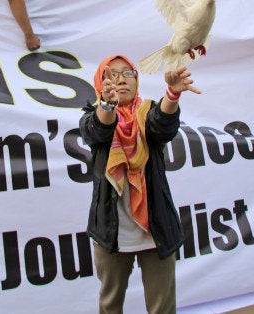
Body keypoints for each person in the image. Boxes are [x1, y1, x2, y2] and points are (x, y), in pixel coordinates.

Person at [79, 55, 200, 313]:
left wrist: (172, 95)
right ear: (100, 83)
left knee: (162, 308)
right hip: (111, 233)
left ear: (137, 79)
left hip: (156, 230)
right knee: (110, 305)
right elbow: (98, 130)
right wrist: (107, 106)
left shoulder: (147, 112)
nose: (121, 79)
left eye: (128, 73)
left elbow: (162, 126)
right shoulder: (92, 115)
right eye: (111, 75)